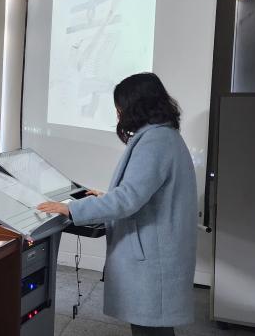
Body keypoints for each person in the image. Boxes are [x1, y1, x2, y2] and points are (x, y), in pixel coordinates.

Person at [37, 73, 197, 336]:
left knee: (150, 328)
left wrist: (71, 209)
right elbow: (144, 193)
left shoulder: (155, 141)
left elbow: (128, 199)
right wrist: (103, 197)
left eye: (120, 107)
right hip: (158, 250)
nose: (118, 114)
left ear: (136, 105)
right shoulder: (164, 136)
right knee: (153, 326)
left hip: (152, 257)